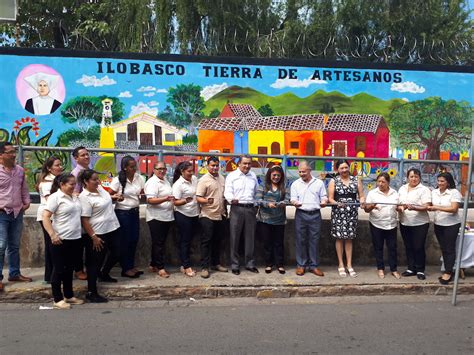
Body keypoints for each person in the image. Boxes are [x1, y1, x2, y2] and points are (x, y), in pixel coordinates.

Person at [42, 173, 84, 309]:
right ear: (62, 185)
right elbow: (45, 217)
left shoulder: (74, 197)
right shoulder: (55, 197)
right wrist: (52, 234)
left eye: (74, 184)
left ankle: (69, 295)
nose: (74, 186)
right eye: (71, 184)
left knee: (69, 268)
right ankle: (57, 298)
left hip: (75, 238)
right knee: (59, 269)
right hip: (60, 239)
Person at [79, 169, 122, 302]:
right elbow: (84, 219)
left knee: (118, 252)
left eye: (98, 179)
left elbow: (107, 200)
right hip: (97, 233)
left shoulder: (101, 190)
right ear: (86, 182)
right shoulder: (84, 197)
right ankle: (92, 291)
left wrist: (115, 197)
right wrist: (93, 237)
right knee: (94, 263)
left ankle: (104, 273)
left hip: (112, 227)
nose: (98, 181)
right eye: (94, 180)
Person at [0, 142, 32, 292]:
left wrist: (27, 202)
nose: (13, 154)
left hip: (17, 212)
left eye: (14, 152)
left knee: (14, 245)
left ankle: (14, 273)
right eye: (10, 152)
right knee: (1, 245)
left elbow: (23, 188)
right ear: (1, 155)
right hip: (1, 213)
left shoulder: (19, 170)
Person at [328, 160, 365, 278]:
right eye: (341, 168)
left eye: (346, 167)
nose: (344, 170)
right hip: (338, 212)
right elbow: (330, 198)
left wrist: (363, 200)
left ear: (349, 168)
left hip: (352, 212)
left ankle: (349, 264)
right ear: (337, 170)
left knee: (349, 238)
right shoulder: (334, 180)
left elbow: (361, 195)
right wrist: (337, 203)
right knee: (339, 238)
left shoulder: (356, 180)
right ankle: (341, 264)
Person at [109, 156, 145, 278]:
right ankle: (125, 268)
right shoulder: (117, 180)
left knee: (134, 239)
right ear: (125, 168)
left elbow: (141, 193)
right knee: (125, 241)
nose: (134, 168)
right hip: (123, 213)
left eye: (135, 166)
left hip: (135, 212)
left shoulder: (139, 178)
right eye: (131, 166)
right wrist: (117, 196)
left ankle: (130, 266)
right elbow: (109, 195)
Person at [290, 160, 327, 277]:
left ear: (310, 170)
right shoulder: (295, 184)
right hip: (301, 213)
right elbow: (292, 198)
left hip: (315, 214)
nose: (301, 174)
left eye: (304, 172)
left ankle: (314, 266)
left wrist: (324, 201)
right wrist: (294, 202)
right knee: (300, 240)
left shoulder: (319, 183)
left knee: (314, 241)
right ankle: (301, 265)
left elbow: (324, 197)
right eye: (300, 172)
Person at [224, 155, 259, 275]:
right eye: (244, 163)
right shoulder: (232, 176)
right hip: (236, 209)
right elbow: (227, 191)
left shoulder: (253, 176)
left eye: (249, 164)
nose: (247, 166)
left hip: (250, 209)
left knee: (250, 238)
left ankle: (250, 263)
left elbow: (255, 192)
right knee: (235, 237)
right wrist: (231, 199)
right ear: (239, 164)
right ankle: (235, 265)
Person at [195, 156, 228, 279]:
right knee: (206, 242)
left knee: (218, 241)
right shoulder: (203, 180)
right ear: (207, 166)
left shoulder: (222, 178)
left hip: (220, 215)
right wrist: (206, 200)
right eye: (212, 165)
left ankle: (216, 263)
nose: (215, 168)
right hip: (207, 215)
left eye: (216, 165)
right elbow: (198, 197)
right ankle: (204, 267)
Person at [364, 172, 401, 279]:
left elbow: (398, 207)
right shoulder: (372, 193)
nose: (380, 184)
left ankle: (394, 269)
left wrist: (401, 208)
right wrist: (371, 206)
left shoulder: (394, 193)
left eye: (383, 182)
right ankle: (380, 268)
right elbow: (366, 210)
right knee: (378, 247)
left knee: (392, 248)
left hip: (391, 224)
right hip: (376, 224)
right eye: (379, 181)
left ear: (388, 183)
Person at [428, 172, 462, 285]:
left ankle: (448, 272)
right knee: (443, 248)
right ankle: (448, 268)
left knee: (449, 248)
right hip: (439, 224)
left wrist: (436, 207)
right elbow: (428, 205)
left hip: (451, 224)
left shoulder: (454, 192)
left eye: (442, 181)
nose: (440, 183)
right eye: (438, 181)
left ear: (448, 182)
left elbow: (453, 209)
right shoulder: (434, 192)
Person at [398, 168, 431, 280]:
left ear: (419, 178)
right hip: (404, 222)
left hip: (420, 223)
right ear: (407, 178)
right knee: (408, 246)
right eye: (411, 176)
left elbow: (426, 206)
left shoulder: (424, 189)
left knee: (418, 246)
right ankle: (411, 268)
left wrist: (414, 207)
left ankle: (420, 270)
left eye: (416, 177)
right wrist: (400, 208)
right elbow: (399, 203)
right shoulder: (402, 188)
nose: (414, 179)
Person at [144, 161, 174, 278]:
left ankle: (153, 264)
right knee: (159, 243)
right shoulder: (152, 182)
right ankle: (161, 268)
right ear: (154, 169)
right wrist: (165, 198)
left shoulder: (165, 180)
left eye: (164, 169)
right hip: (156, 216)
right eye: (159, 169)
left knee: (159, 242)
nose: (162, 171)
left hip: (166, 216)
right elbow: (150, 200)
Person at [36, 155, 63, 284]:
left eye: (60, 164)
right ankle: (50, 276)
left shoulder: (57, 180)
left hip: (54, 216)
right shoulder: (47, 182)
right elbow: (50, 201)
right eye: (57, 165)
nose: (60, 167)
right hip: (47, 216)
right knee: (51, 246)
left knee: (54, 246)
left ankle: (54, 274)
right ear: (49, 168)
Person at [256, 165, 287, 274]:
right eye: (274, 175)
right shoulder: (263, 186)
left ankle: (280, 264)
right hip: (265, 220)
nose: (276, 177)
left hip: (279, 220)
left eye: (278, 175)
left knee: (279, 243)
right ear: (269, 175)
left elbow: (288, 198)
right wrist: (267, 204)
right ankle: (269, 264)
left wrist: (284, 203)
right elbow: (258, 200)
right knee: (267, 243)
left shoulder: (283, 186)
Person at [172, 161, 200, 277]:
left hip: (194, 214)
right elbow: (175, 202)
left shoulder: (194, 179)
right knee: (185, 241)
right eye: (188, 171)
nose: (191, 173)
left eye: (192, 170)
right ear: (182, 172)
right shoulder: (178, 184)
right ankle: (186, 266)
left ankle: (184, 265)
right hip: (183, 215)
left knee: (190, 241)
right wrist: (184, 200)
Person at [71, 146, 91, 281]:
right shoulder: (76, 174)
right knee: (79, 244)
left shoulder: (88, 171)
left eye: (87, 154)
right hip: (80, 213)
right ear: (76, 158)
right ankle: (78, 270)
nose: (86, 157)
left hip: (90, 211)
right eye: (83, 155)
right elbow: (74, 193)